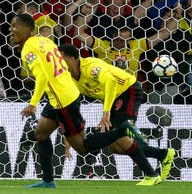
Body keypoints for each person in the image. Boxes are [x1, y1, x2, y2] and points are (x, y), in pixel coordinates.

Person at [10, 13, 161, 187]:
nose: (11, 29)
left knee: (83, 147)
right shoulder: (45, 41)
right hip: (61, 94)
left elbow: (42, 76)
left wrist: (33, 103)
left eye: (14, 25)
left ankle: (123, 131)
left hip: (63, 99)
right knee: (41, 134)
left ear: (27, 29)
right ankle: (48, 180)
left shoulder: (28, 49)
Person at [58, 43, 176, 181]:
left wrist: (106, 112)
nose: (58, 63)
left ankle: (151, 175)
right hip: (115, 99)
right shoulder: (71, 80)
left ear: (72, 58)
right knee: (116, 147)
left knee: (119, 138)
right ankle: (163, 154)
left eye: (61, 59)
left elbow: (112, 83)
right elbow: (71, 107)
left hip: (128, 90)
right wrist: (68, 136)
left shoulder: (90, 67)